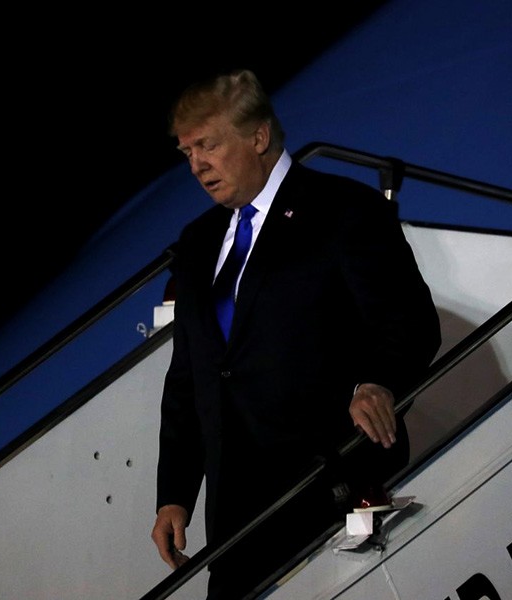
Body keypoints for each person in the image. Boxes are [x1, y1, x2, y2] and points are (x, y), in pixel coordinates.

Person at [150, 68, 441, 599]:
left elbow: (410, 323)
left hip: (329, 494)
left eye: (208, 145)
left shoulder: (343, 210)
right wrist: (174, 494)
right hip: (237, 520)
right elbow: (189, 379)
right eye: (186, 151)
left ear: (258, 137)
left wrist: (377, 382)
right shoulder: (196, 243)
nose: (196, 165)